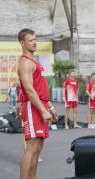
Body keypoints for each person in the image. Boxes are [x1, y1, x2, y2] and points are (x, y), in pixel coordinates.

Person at [17, 28, 58, 179]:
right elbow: (29, 89)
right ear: (22, 43)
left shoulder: (34, 61)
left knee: (38, 147)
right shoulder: (25, 62)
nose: (35, 43)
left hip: (40, 105)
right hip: (32, 107)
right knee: (31, 147)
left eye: (35, 39)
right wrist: (43, 110)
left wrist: (50, 107)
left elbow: (40, 88)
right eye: (30, 40)